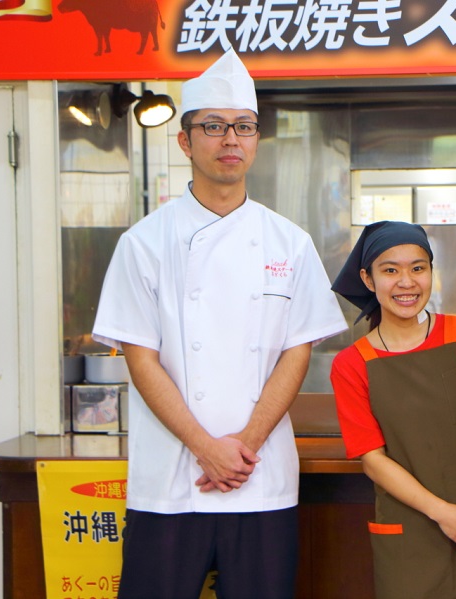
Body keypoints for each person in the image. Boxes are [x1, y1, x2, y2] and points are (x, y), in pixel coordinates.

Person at [91, 49, 348, 599]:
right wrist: (205, 446)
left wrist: (243, 446)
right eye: (213, 126)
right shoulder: (143, 243)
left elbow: (297, 352)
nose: (231, 139)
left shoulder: (290, 243)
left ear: (256, 140)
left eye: (244, 127)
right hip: (171, 479)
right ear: (185, 141)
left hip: (261, 477)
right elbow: (141, 359)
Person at [329, 221, 456, 599]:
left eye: (418, 268)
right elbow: (373, 460)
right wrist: (441, 511)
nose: (406, 282)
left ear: (431, 272)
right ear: (367, 279)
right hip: (411, 529)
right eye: (390, 271)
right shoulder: (352, 364)